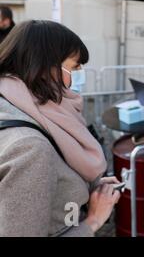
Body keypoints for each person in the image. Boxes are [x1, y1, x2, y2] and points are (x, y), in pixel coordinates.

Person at [0, 20, 121, 236]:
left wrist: (82, 185)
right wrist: (93, 220)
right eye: (75, 67)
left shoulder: (15, 104)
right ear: (47, 67)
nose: (78, 76)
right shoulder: (30, 149)